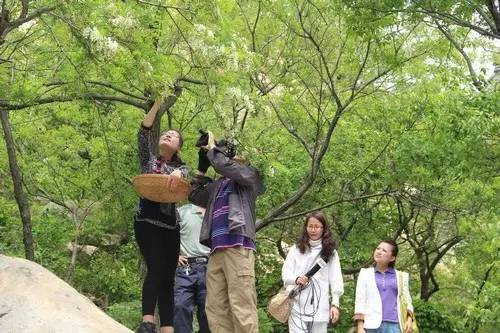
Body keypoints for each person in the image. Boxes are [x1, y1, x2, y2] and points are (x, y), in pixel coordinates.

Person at [188, 130, 265, 333]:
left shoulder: (249, 176)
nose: (223, 156)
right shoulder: (217, 186)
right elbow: (194, 195)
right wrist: (202, 168)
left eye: (227, 152)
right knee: (215, 309)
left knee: (241, 306)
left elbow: (227, 166)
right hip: (216, 250)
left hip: (238, 247)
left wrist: (213, 150)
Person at [134, 99, 188, 333]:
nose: (167, 135)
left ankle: (168, 328)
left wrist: (178, 171)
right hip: (147, 221)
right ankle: (147, 323)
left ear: (178, 147)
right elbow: (144, 133)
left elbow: (187, 178)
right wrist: (156, 106)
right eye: (165, 133)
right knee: (155, 268)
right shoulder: (149, 160)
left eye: (173, 135)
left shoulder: (182, 167)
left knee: (168, 277)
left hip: (170, 226)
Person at [282, 211, 344, 333]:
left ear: (323, 229)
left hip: (320, 305)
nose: (313, 230)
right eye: (310, 226)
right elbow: (285, 273)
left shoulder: (330, 252)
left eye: (317, 227)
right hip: (296, 302)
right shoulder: (296, 249)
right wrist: (296, 279)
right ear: (306, 228)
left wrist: (335, 303)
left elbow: (336, 278)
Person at [354, 240, 415, 333]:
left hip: (394, 325)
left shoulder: (401, 276)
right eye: (378, 248)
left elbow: (407, 300)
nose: (379, 252)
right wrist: (360, 327)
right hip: (370, 325)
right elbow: (360, 301)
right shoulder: (365, 274)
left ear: (392, 258)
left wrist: (410, 320)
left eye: (384, 250)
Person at [174, 203, 211, 333]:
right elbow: (164, 235)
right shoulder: (182, 212)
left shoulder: (217, 212)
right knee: (180, 305)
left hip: (210, 268)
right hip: (185, 267)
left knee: (208, 311)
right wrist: (173, 255)